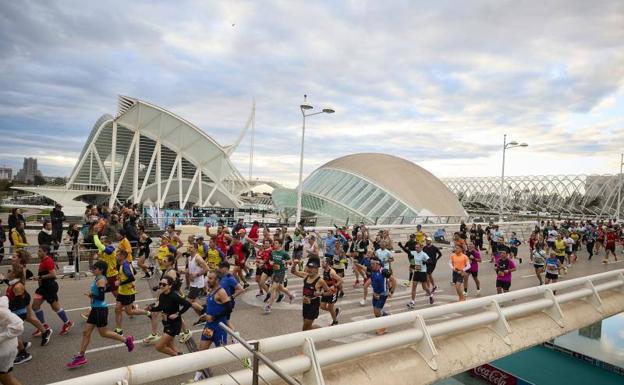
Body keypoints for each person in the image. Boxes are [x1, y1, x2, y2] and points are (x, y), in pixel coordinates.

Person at [66, 261, 135, 368]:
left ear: (101, 270)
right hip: (95, 309)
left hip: (100, 310)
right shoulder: (98, 278)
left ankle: (126, 340)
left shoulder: (101, 280)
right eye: (92, 268)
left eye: (95, 268)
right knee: (86, 332)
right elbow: (105, 290)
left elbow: (101, 297)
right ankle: (81, 356)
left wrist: (91, 295)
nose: (92, 270)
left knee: (104, 333)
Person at [3, 264, 51, 365]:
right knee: (12, 333)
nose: (7, 272)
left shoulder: (18, 286)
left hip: (18, 312)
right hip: (14, 312)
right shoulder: (13, 284)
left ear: (14, 274)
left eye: (9, 271)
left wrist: (5, 304)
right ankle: (24, 344)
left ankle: (24, 354)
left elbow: (18, 303)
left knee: (13, 334)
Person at [191, 271, 233, 382]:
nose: (207, 280)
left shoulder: (221, 292)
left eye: (210, 278)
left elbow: (229, 309)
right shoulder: (211, 290)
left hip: (219, 328)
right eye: (208, 278)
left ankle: (243, 355)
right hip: (209, 327)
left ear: (217, 280)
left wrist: (214, 317)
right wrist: (206, 314)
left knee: (223, 354)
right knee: (202, 352)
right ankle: (197, 378)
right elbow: (211, 306)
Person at [146, 276, 199, 356]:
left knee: (159, 347)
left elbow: (188, 304)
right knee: (170, 345)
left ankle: (177, 357)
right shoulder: (162, 295)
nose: (161, 286)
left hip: (174, 325)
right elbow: (160, 307)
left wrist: (177, 314)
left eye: (164, 284)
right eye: (160, 284)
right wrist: (150, 309)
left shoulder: (174, 296)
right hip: (166, 324)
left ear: (170, 286)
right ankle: (180, 356)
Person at [32, 245, 73, 336]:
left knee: (55, 307)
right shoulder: (43, 261)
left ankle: (67, 323)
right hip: (43, 288)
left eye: (39, 251)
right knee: (35, 306)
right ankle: (43, 326)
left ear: (45, 252)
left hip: (49, 287)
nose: (38, 253)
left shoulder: (48, 261)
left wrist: (40, 277)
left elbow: (53, 275)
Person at [113, 250, 151, 336]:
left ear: (122, 256)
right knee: (117, 310)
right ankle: (119, 330)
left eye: (118, 254)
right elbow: (134, 272)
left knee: (129, 312)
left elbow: (131, 278)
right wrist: (119, 278)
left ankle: (148, 313)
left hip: (128, 293)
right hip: (122, 291)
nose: (116, 256)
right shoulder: (123, 264)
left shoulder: (125, 265)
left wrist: (120, 282)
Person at [290, 259, 330, 330]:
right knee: (308, 327)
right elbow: (293, 271)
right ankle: (323, 331)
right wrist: (294, 264)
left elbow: (329, 292)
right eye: (309, 267)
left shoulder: (320, 281)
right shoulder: (306, 275)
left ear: (317, 269)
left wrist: (321, 293)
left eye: (312, 268)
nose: (310, 270)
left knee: (304, 328)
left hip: (314, 305)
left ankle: (304, 339)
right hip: (305, 304)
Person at [264, 239, 294, 314]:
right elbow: (270, 261)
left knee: (273, 288)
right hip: (274, 272)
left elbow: (290, 261)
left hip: (281, 273)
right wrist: (271, 263)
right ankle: (291, 296)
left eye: (276, 243)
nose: (274, 244)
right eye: (274, 243)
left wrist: (286, 262)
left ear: (280, 244)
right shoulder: (273, 252)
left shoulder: (283, 253)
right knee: (281, 288)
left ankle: (269, 306)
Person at [0, 295, 25, 385]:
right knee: (6, 379)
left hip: (3, 351)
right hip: (5, 348)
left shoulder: (1, 310)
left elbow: (18, 326)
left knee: (6, 379)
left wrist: (1, 337)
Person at [369, 257, 396, 335]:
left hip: (382, 294)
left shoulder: (383, 271)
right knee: (376, 313)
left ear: (377, 264)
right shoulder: (373, 271)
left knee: (377, 312)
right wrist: (373, 292)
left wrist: (391, 291)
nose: (371, 265)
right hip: (375, 294)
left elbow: (394, 280)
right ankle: (387, 316)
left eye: (373, 264)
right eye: (371, 264)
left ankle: (383, 327)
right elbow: (374, 281)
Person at [216, 261, 245, 330]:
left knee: (225, 321)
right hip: (220, 302)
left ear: (225, 268)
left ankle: (235, 336)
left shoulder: (230, 278)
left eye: (220, 267)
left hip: (227, 304)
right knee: (223, 321)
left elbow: (241, 289)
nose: (218, 269)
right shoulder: (222, 277)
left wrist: (231, 297)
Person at [406, 243, 433, 308]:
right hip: (416, 272)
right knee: (414, 287)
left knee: (425, 287)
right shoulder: (414, 252)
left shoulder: (424, 254)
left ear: (421, 248)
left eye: (418, 247)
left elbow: (430, 261)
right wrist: (402, 246)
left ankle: (431, 295)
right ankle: (412, 302)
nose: (416, 249)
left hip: (423, 272)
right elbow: (408, 252)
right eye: (415, 247)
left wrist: (425, 262)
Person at [320, 259, 342, 325]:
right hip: (326, 290)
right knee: (322, 306)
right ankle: (335, 311)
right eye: (322, 262)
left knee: (330, 307)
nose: (322, 263)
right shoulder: (324, 270)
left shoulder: (331, 272)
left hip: (333, 291)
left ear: (327, 263)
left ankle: (335, 321)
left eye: (323, 262)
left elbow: (340, 280)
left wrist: (334, 286)